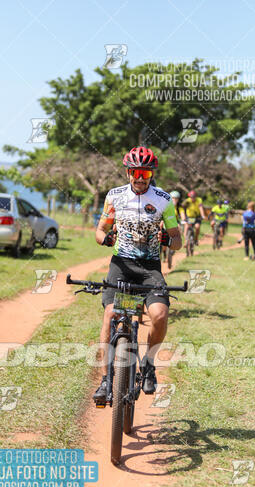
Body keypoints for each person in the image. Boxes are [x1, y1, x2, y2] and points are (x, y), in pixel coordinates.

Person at [93, 146, 182, 400]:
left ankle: (149, 365)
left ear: (151, 173)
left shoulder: (164, 200)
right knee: (111, 315)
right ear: (128, 172)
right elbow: (100, 230)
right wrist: (106, 238)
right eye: (135, 172)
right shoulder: (115, 196)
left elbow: (178, 241)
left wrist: (167, 238)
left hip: (149, 268)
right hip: (121, 265)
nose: (139, 177)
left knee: (160, 314)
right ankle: (105, 380)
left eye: (145, 172)